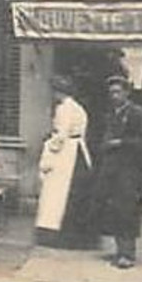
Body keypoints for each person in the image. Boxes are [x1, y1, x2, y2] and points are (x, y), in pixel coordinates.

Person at [34, 75, 97, 249]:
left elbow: (61, 134)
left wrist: (50, 147)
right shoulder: (78, 107)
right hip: (77, 150)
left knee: (59, 193)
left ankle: (60, 236)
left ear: (58, 92)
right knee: (73, 194)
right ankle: (77, 237)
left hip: (67, 153)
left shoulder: (64, 108)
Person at [95, 74, 142, 268]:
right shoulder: (111, 114)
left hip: (129, 169)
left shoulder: (137, 113)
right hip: (111, 168)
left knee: (128, 210)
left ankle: (128, 254)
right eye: (111, 93)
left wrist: (121, 142)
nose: (114, 96)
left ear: (126, 92)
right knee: (114, 210)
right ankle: (119, 250)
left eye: (118, 92)